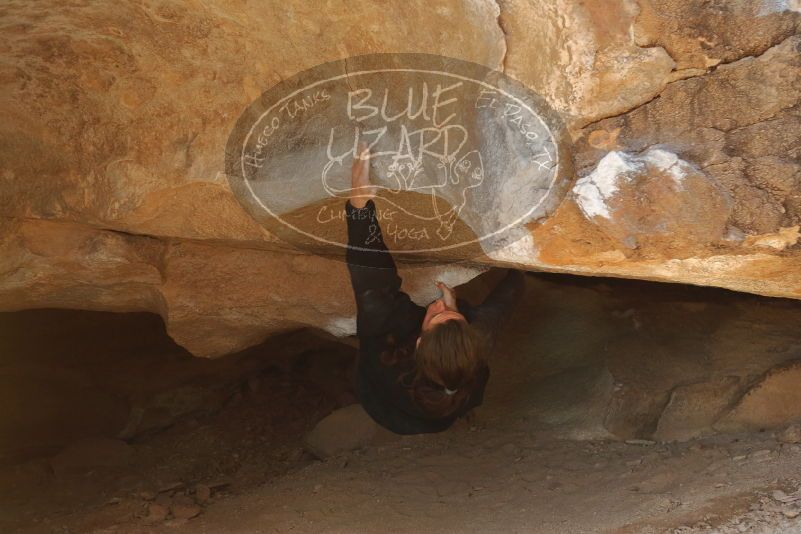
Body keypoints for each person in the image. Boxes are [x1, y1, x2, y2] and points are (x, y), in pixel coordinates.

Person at [344, 141, 525, 435]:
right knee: (489, 314)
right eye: (452, 316)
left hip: (381, 404)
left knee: (379, 313)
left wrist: (359, 206)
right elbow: (498, 311)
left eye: (437, 316)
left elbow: (372, 282)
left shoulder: (385, 356)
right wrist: (519, 271)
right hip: (443, 404)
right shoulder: (474, 360)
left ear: (417, 342)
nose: (439, 305)